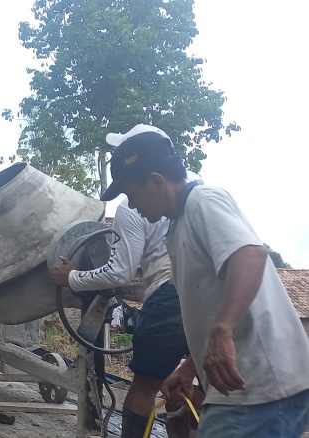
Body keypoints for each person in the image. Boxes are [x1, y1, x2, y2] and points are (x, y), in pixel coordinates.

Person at [100, 124, 309, 437]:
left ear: (156, 182)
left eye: (131, 194)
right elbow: (209, 303)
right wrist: (189, 369)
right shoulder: (178, 228)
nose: (131, 205)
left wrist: (223, 330)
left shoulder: (204, 200)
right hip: (248, 389)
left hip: (257, 388)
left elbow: (250, 255)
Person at [51, 129, 187, 438]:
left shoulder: (130, 209)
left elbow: (119, 273)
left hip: (166, 298)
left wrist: (71, 277)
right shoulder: (193, 190)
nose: (134, 202)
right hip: (198, 297)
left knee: (144, 388)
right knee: (185, 386)